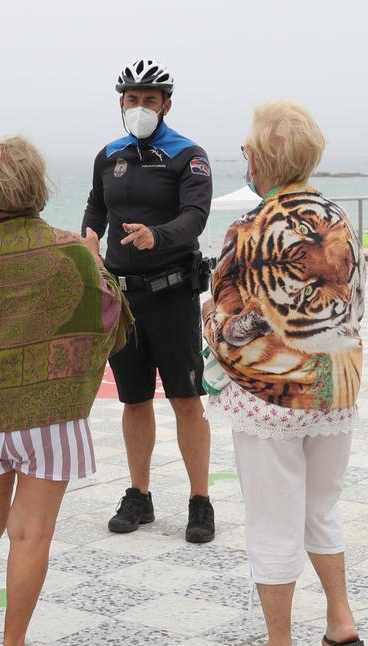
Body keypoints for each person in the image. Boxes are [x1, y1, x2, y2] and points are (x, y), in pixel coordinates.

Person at [0, 136, 132, 646]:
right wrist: (97, 263)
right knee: (30, 533)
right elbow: (107, 315)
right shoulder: (67, 248)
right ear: (37, 186)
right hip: (50, 412)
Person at [204, 101, 366, 646]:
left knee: (273, 518)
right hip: (337, 390)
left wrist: (215, 333)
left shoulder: (250, 227)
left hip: (271, 398)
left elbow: (225, 321)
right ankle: (341, 619)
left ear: (267, 158)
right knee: (322, 506)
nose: (244, 159)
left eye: (249, 150)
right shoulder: (339, 217)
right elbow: (357, 304)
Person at [81, 59, 216, 542]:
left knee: (185, 400)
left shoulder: (188, 154)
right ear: (121, 103)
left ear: (167, 105)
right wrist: (90, 240)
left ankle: (200, 500)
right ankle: (139, 494)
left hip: (173, 294)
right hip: (124, 298)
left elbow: (195, 218)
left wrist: (156, 237)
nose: (140, 108)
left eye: (150, 100)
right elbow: (97, 206)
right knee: (133, 400)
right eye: (132, 100)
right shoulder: (109, 154)